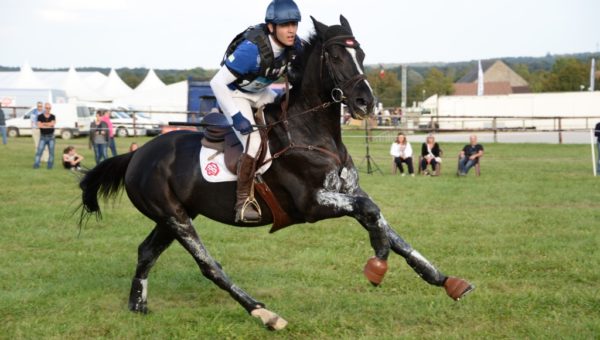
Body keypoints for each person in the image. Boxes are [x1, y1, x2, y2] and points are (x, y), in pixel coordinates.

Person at [209, 0, 303, 223]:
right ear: (271, 27)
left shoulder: (295, 45)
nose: (291, 30)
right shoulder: (250, 51)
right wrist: (236, 116)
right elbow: (217, 83)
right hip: (235, 94)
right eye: (285, 25)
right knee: (254, 143)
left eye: (294, 24)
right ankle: (243, 201)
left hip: (260, 92)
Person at [33, 102, 56, 169]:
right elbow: (39, 125)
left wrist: (44, 124)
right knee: (39, 152)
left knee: (51, 153)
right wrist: (48, 124)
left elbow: (52, 124)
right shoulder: (40, 116)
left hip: (51, 137)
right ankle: (36, 165)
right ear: (44, 108)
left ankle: (50, 167)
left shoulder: (53, 116)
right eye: (46, 108)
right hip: (43, 137)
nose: (48, 109)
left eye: (49, 108)